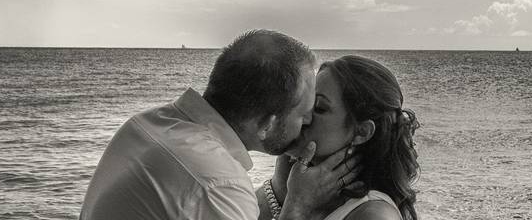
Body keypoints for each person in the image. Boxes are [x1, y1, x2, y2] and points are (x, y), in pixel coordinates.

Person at [80, 30, 360, 220]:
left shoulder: (146, 123)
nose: (309, 122)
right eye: (303, 113)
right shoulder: (218, 184)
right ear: (267, 124)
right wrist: (297, 207)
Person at [256, 55, 420, 220]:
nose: (303, 115)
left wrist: (297, 206)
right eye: (305, 102)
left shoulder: (374, 215)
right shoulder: (301, 188)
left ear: (362, 132)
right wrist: (280, 189)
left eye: (319, 107)